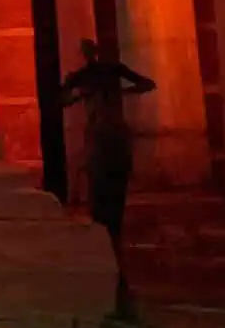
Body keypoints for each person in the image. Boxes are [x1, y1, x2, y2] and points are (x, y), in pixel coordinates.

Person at [60, 38, 156, 244]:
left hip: (106, 131)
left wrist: (120, 93)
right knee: (106, 177)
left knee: (107, 178)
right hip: (104, 131)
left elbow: (147, 83)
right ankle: (108, 225)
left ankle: (107, 225)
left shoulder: (98, 73)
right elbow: (62, 99)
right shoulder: (100, 73)